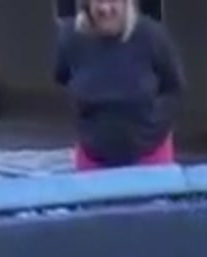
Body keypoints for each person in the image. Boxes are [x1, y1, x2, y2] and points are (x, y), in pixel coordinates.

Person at [53, 0, 186, 171]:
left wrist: (154, 127)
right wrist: (85, 126)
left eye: (113, 1)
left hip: (150, 158)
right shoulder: (72, 38)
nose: (105, 8)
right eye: (98, 1)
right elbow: (62, 80)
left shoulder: (152, 36)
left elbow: (174, 89)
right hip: (93, 159)